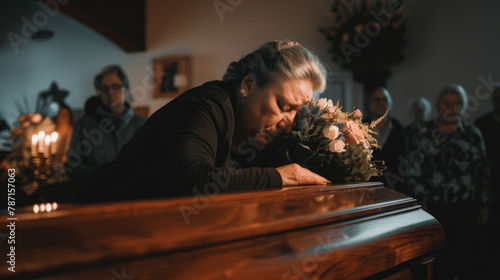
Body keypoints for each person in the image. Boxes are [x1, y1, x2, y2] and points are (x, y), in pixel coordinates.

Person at [72, 40, 330, 203]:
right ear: (249, 84)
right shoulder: (205, 105)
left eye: (296, 111)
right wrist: (279, 176)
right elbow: (191, 179)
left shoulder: (261, 130)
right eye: (283, 107)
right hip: (94, 210)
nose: (288, 123)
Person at [406, 84, 490, 279]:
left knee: (464, 260)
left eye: (457, 104)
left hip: (466, 208)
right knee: (437, 262)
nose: (451, 108)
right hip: (433, 209)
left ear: (462, 106)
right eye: (447, 103)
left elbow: (483, 171)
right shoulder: (424, 133)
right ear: (438, 105)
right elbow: (413, 169)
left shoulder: (472, 134)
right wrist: (419, 197)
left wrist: (484, 204)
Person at [65, 65, 147, 180]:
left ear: (126, 90)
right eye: (104, 88)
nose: (110, 92)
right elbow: (71, 166)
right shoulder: (84, 126)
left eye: (116, 86)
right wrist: (103, 175)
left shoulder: (142, 124)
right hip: (97, 193)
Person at [363, 87, 406, 193]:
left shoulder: (397, 127)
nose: (380, 103)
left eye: (384, 99)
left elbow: (403, 157)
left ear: (389, 102)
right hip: (368, 185)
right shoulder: (362, 126)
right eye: (376, 99)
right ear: (371, 103)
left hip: (394, 185)